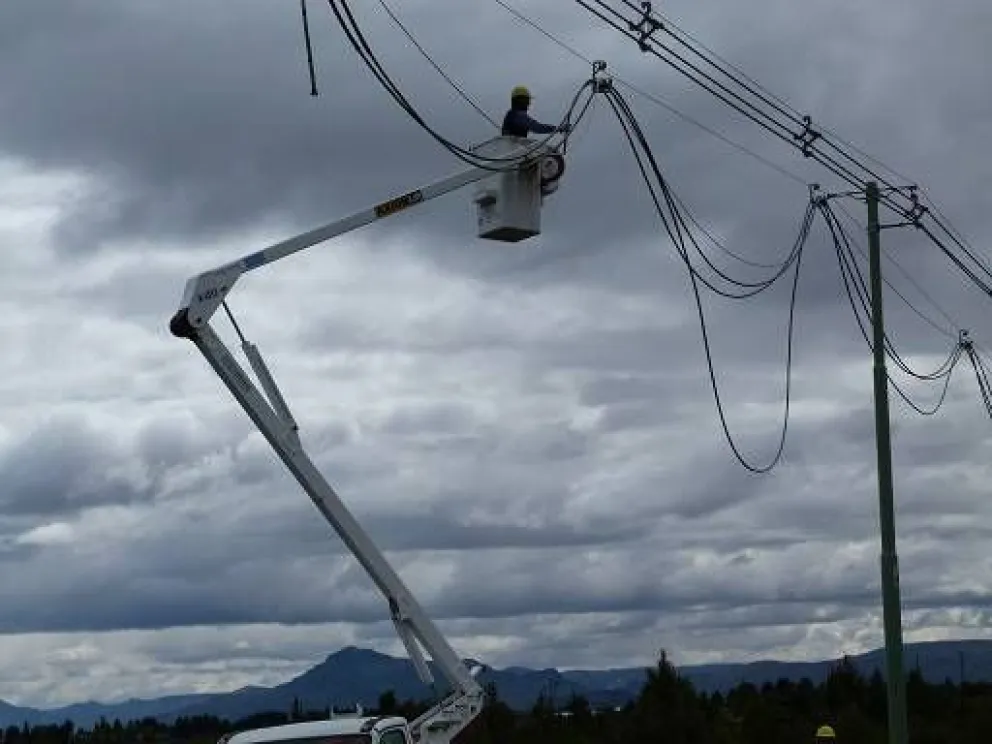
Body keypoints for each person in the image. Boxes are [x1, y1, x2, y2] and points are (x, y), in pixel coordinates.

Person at [501, 85, 567, 137]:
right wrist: (559, 128)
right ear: (521, 101)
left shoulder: (511, 114)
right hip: (514, 150)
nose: (528, 104)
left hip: (512, 148)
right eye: (527, 101)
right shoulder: (518, 116)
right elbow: (538, 128)